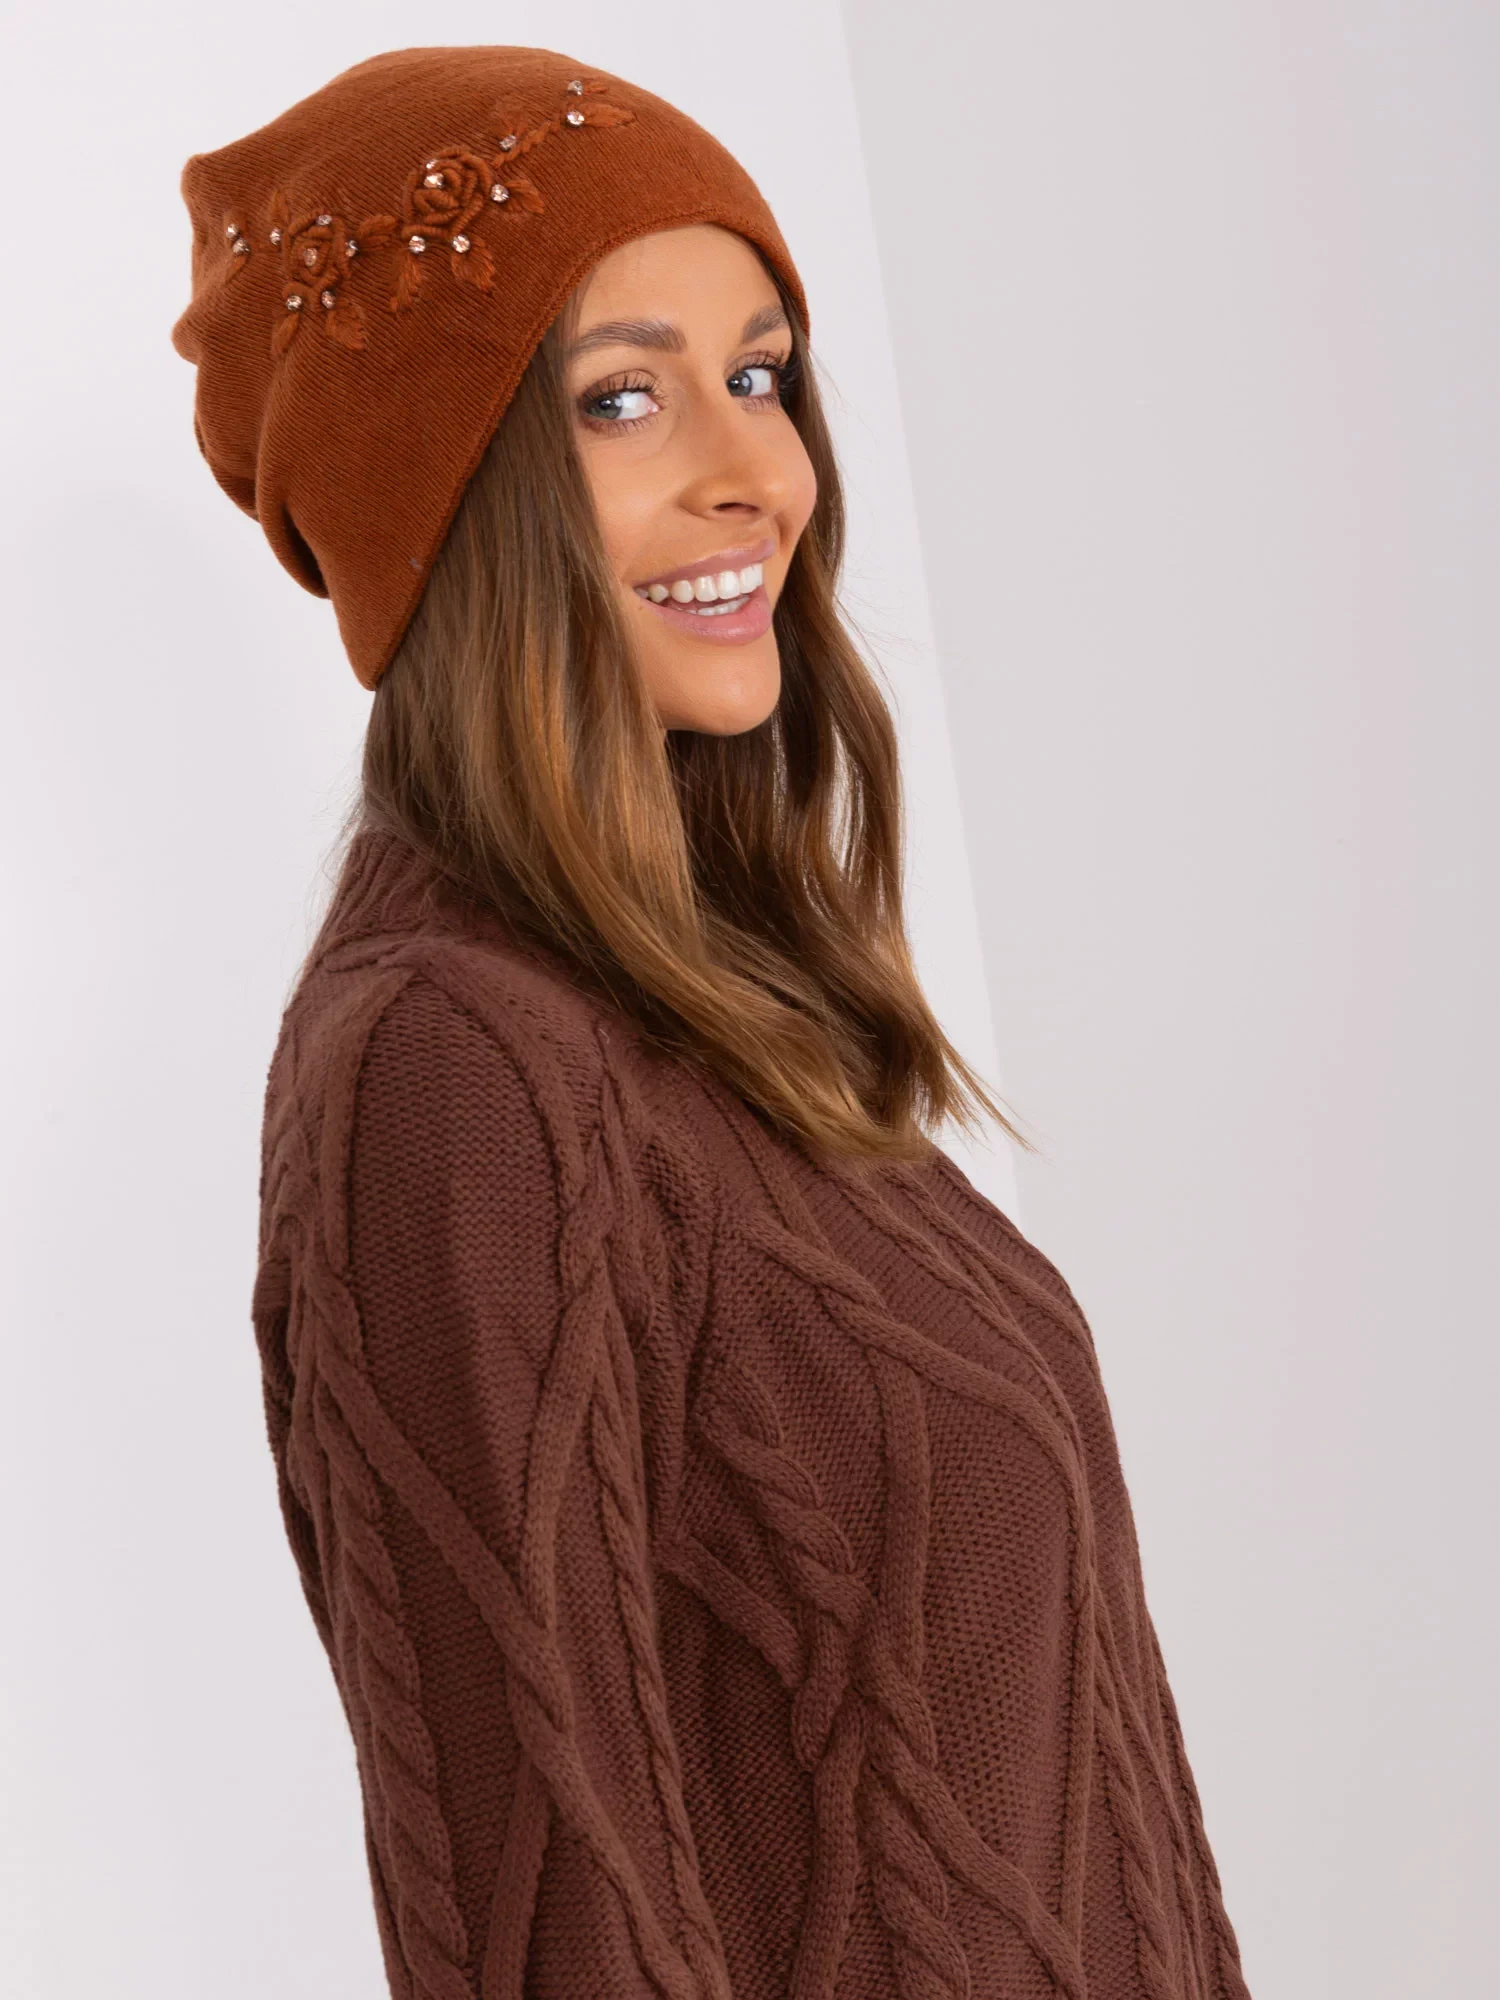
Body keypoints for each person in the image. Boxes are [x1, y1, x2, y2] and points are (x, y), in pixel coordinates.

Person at [171, 45, 1254, 2000]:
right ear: (444, 496)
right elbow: (545, 1910)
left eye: (760, 374)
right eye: (621, 397)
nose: (755, 467)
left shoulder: (713, 1020)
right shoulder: (451, 1064)